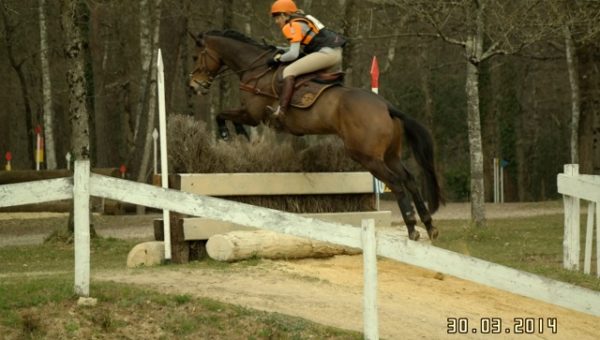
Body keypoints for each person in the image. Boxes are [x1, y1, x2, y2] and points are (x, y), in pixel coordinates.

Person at [268, 0, 346, 117]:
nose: (276, 21)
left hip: (326, 54)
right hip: (334, 52)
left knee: (288, 71)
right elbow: (298, 48)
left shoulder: (291, 25)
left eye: (277, 17)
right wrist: (278, 48)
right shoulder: (303, 18)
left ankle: (282, 110)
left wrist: (278, 59)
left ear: (285, 14)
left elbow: (294, 54)